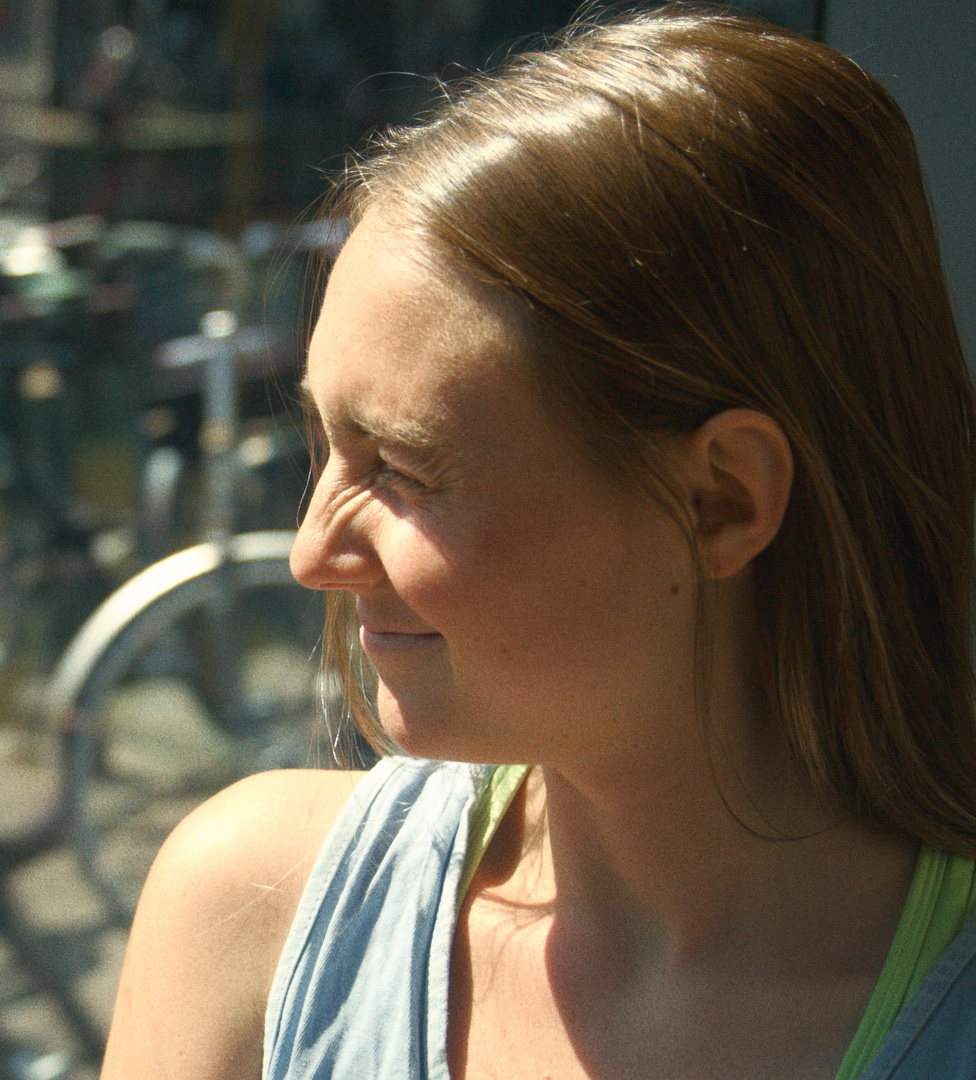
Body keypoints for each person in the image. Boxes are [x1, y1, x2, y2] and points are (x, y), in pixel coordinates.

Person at [104, 8, 976, 1079]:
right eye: (325, 443)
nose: (310, 556)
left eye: (403, 470)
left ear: (722, 502)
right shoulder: (246, 922)